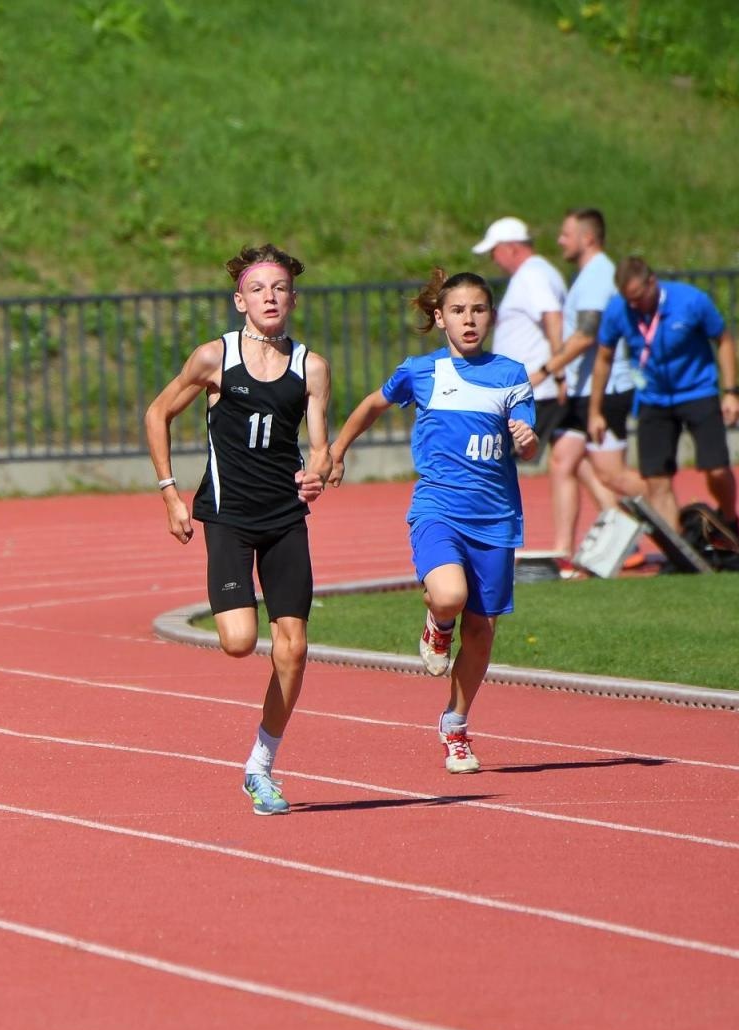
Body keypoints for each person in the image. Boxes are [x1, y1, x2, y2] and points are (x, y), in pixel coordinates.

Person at [326, 270, 537, 774]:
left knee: (482, 631)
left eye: (479, 310)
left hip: (496, 518)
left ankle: (456, 725)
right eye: (459, 310)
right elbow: (373, 404)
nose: (469, 319)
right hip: (438, 508)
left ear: (491, 316)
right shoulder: (421, 371)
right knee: (448, 595)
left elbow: (528, 442)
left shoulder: (511, 374)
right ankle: (438, 625)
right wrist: (336, 450)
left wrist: (527, 442)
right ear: (440, 317)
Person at [144, 244, 330, 816]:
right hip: (227, 517)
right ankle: (259, 761)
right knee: (239, 643)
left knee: (293, 649)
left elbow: (319, 446)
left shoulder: (311, 367)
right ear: (240, 300)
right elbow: (157, 414)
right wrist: (171, 494)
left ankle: (261, 765)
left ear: (292, 299)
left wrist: (319, 470)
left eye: (279, 289)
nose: (269, 297)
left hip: (284, 519)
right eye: (258, 289)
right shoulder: (213, 358)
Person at [589, 257, 739, 542]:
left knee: (717, 469)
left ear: (652, 282)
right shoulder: (618, 309)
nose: (634, 306)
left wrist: (732, 391)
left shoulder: (691, 300)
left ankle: (729, 520)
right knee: (656, 479)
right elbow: (603, 357)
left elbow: (723, 340)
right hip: (653, 398)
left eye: (638, 298)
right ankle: (680, 545)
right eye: (628, 300)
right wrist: (595, 411)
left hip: (698, 391)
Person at [532, 208, 648, 566]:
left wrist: (546, 370)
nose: (560, 241)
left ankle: (666, 509)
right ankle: (566, 549)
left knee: (610, 473)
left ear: (587, 238)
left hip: (607, 389)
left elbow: (586, 336)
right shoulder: (586, 276)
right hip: (583, 389)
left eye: (566, 234)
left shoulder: (599, 276)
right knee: (565, 458)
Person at [471, 217, 567, 455]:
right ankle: (623, 493)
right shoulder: (538, 271)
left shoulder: (532, 275)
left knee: (501, 457)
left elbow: (553, 317)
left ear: (511, 247)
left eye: (494, 252)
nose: (493, 259)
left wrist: (558, 373)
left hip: (535, 387)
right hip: (534, 385)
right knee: (568, 460)